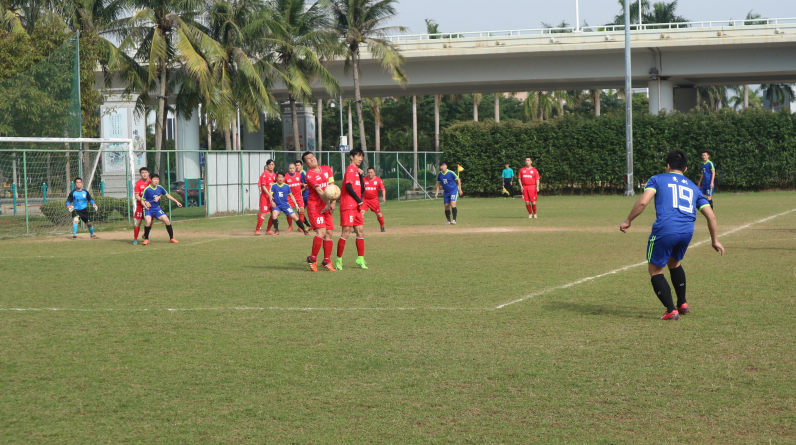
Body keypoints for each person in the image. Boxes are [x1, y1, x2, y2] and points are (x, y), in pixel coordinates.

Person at [620, 150, 724, 321]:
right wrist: (715, 240)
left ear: (667, 166)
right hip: (687, 232)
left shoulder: (657, 179)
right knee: (674, 263)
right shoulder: (692, 186)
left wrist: (628, 220)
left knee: (655, 270)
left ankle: (671, 310)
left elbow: (643, 201)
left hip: (666, 230)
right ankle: (682, 303)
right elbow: (711, 215)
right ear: (686, 169)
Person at [302, 151, 337, 271]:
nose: (312, 159)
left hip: (326, 205)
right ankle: (312, 259)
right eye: (308, 159)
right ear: (306, 164)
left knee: (329, 233)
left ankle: (326, 261)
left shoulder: (327, 169)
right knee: (321, 232)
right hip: (315, 207)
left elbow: (333, 186)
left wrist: (333, 202)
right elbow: (319, 191)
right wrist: (328, 203)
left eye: (312, 157)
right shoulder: (309, 175)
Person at [335, 148, 368, 270]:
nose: (360, 158)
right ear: (351, 157)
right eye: (358, 156)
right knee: (346, 232)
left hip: (356, 207)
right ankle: (339, 260)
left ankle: (360, 259)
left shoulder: (356, 171)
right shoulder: (350, 169)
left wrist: (361, 176)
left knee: (360, 232)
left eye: (362, 156)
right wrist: (358, 200)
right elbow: (348, 186)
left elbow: (362, 189)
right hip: (348, 205)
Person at [140, 174, 183, 245]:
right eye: (154, 179)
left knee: (166, 220)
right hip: (148, 209)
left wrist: (177, 202)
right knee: (148, 222)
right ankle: (146, 239)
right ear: (151, 180)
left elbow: (167, 195)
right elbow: (142, 200)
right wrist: (145, 205)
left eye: (157, 179)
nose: (156, 181)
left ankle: (172, 238)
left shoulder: (160, 188)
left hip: (156, 209)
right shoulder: (147, 189)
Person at [255, 160, 277, 236]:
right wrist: (269, 194)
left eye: (272, 164)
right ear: (267, 166)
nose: (271, 166)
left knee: (274, 213)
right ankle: (257, 230)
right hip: (265, 196)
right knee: (264, 214)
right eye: (269, 164)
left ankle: (268, 229)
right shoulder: (264, 174)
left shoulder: (274, 175)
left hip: (272, 197)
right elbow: (263, 186)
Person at [362, 167, 386, 232]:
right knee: (361, 213)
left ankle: (382, 226)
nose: (370, 174)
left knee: (378, 214)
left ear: (374, 173)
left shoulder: (378, 180)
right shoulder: (364, 179)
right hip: (365, 200)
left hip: (374, 200)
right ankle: (358, 228)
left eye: (371, 172)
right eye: (368, 172)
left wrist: (384, 196)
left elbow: (383, 189)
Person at [284, 163, 306, 232]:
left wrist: (303, 184)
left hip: (298, 196)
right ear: (288, 169)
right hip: (290, 196)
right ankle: (290, 226)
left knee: (302, 209)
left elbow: (298, 183)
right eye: (290, 168)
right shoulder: (286, 176)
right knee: (289, 211)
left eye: (293, 168)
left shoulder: (298, 174)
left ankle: (300, 227)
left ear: (295, 168)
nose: (292, 169)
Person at [132, 167, 151, 245]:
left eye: (146, 172)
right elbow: (136, 196)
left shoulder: (151, 182)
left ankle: (145, 235)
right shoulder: (138, 183)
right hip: (140, 205)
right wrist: (144, 201)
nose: (144, 174)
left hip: (150, 206)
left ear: (148, 173)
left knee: (150, 222)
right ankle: (135, 239)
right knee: (138, 222)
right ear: (140, 174)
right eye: (142, 173)